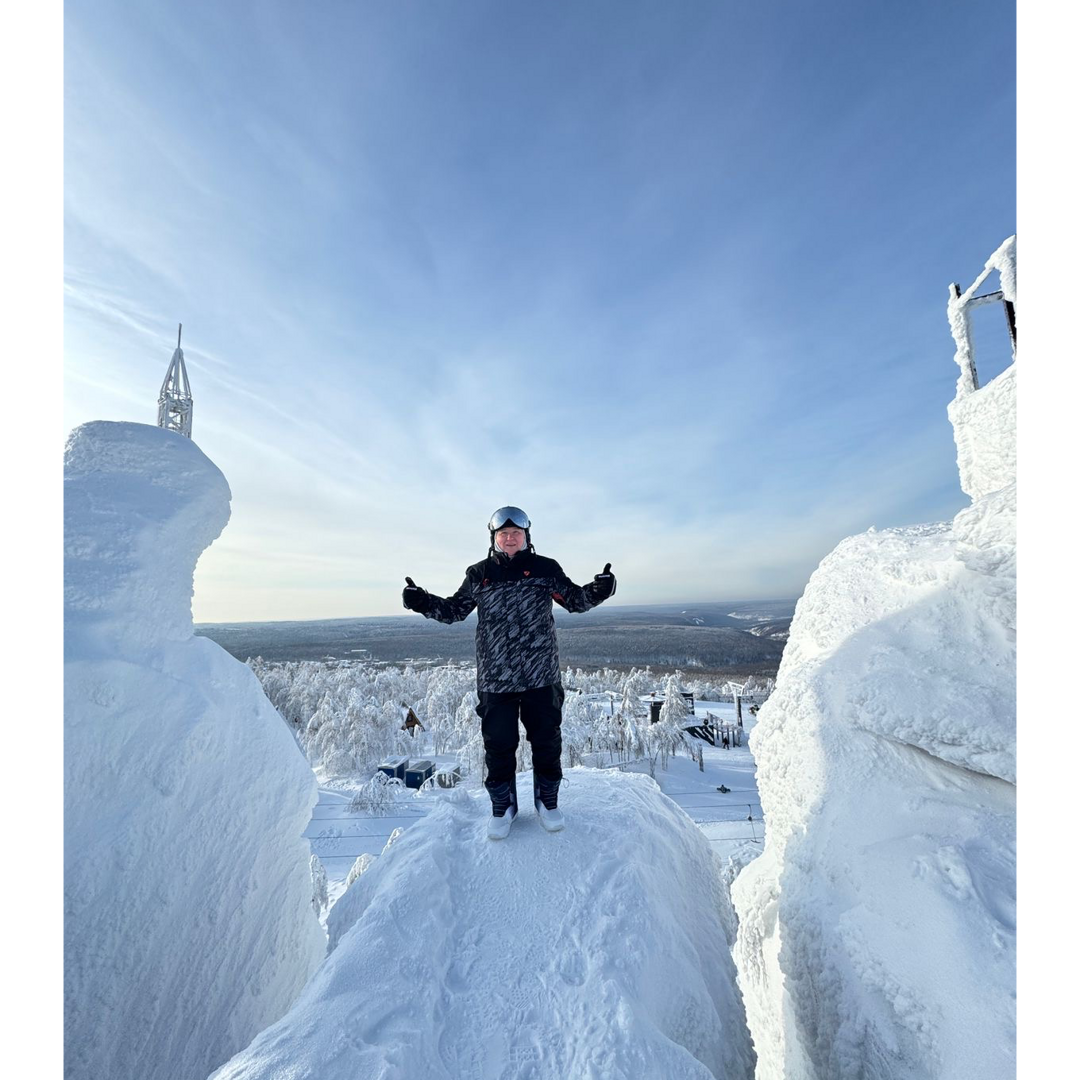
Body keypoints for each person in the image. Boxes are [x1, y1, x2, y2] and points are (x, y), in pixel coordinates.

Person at [402, 506, 616, 839]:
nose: (510, 538)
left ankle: (548, 801)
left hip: (540, 675)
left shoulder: (545, 569)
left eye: (516, 533)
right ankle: (502, 807)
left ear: (527, 537)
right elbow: (454, 610)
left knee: (547, 741)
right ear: (495, 539)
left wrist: (601, 589)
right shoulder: (479, 574)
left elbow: (575, 599)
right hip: (495, 678)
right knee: (498, 746)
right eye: (504, 534)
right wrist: (422, 601)